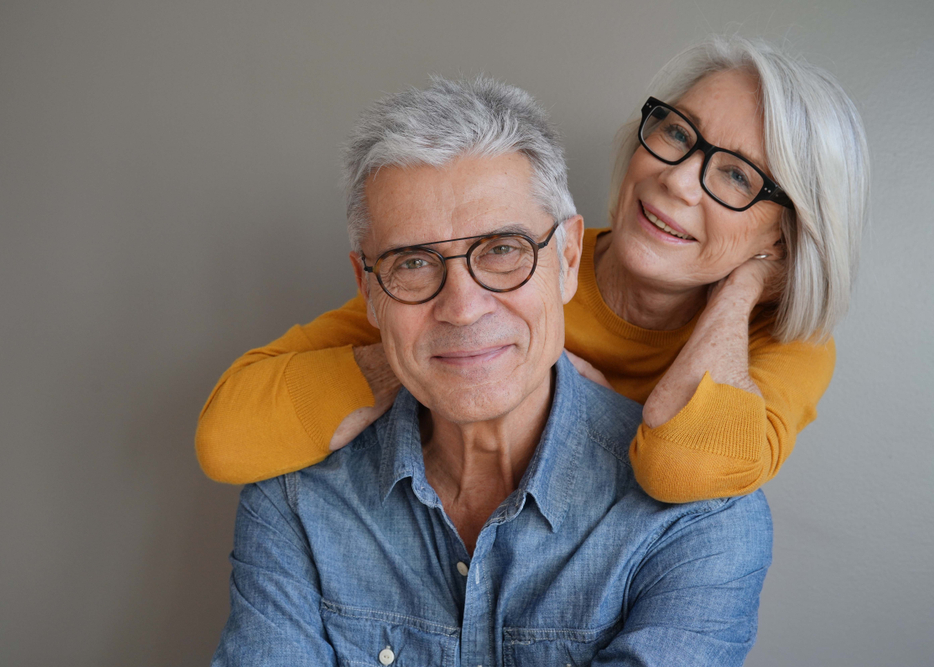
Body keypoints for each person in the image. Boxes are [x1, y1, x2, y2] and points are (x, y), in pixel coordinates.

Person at [211, 76, 772, 666]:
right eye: (414, 262)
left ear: (568, 259)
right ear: (368, 292)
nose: (462, 308)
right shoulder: (295, 500)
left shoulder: (700, 524)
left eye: (503, 250)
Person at [196, 36, 869, 502]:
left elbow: (685, 466)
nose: (677, 181)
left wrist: (744, 285)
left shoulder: (782, 344)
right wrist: (434, 352)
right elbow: (228, 436)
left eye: (735, 175)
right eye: (676, 133)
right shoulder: (514, 261)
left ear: (784, 232)